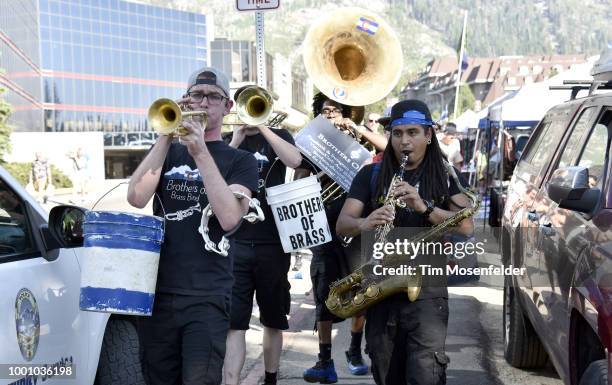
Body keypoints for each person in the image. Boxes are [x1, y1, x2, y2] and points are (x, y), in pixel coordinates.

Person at [127, 67, 258, 385]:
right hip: (158, 291)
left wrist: (199, 151)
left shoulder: (241, 161)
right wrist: (166, 134)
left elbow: (230, 219)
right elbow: (136, 196)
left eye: (214, 97)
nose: (204, 102)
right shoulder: (167, 152)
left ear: (227, 107)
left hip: (208, 295)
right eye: (197, 94)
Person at [336, 99, 474, 385]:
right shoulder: (370, 174)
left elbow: (466, 225)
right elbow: (342, 224)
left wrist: (423, 206)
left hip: (428, 293)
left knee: (427, 375)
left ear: (428, 135)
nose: (404, 141)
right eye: (397, 134)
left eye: (413, 133)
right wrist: (366, 221)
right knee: (387, 374)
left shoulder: (445, 175)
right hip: (381, 290)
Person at [223, 85, 302, 385]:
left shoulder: (280, 136)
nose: (249, 110)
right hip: (236, 241)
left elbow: (295, 161)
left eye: (255, 104)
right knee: (235, 323)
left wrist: (264, 128)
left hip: (273, 242)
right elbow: (216, 171)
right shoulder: (233, 141)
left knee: (273, 318)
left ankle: (270, 378)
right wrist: (238, 137)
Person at [295, 93, 372, 384]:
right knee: (324, 293)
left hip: (357, 226)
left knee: (362, 289)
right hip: (322, 227)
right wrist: (326, 169)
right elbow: (297, 183)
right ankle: (325, 360)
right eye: (326, 111)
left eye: (337, 111)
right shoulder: (309, 144)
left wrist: (357, 130)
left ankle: (354, 350)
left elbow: (386, 150)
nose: (331, 116)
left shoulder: (359, 142)